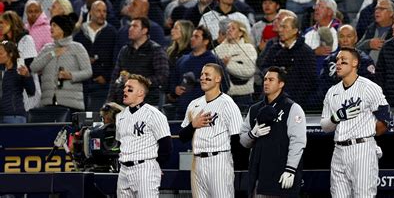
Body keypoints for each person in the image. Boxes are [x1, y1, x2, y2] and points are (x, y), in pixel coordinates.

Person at [320, 47, 392, 197]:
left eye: (343, 60)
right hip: (338, 151)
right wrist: (336, 117)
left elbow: (386, 120)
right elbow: (325, 127)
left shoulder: (369, 88)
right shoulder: (332, 92)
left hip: (362, 150)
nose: (338, 63)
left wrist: (367, 136)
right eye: (337, 60)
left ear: (355, 63)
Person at [240, 66, 307, 197]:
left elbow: (298, 142)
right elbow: (243, 141)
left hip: (282, 174)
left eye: (271, 80)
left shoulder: (292, 108)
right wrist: (252, 134)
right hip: (260, 177)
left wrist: (291, 169)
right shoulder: (254, 109)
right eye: (265, 79)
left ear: (281, 84)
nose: (266, 82)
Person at [178, 63, 243, 198]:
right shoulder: (194, 104)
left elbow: (237, 139)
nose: (203, 77)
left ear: (218, 78)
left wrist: (235, 167)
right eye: (202, 75)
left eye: (207, 75)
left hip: (219, 161)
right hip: (197, 162)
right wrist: (193, 125)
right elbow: (182, 136)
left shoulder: (228, 104)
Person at [116, 74, 172, 197]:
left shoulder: (154, 114)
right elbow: (120, 144)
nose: (125, 90)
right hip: (123, 170)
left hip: (144, 169)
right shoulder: (120, 116)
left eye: (130, 88)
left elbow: (166, 145)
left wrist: (157, 165)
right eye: (125, 87)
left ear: (140, 93)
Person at [30, 13, 93, 114]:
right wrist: (52, 54)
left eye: (54, 25)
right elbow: (33, 67)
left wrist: (71, 75)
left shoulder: (77, 47)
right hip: (48, 103)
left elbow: (88, 72)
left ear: (63, 28)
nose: (51, 28)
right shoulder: (47, 48)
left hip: (71, 104)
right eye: (51, 25)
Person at [214, 20, 257, 112]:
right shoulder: (218, 49)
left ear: (241, 32)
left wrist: (228, 64)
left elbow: (249, 71)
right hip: (222, 97)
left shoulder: (248, 48)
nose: (229, 30)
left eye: (233, 28)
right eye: (228, 28)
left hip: (242, 98)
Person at [0, 40, 35, 123]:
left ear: (10, 54)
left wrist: (27, 76)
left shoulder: (20, 70)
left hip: (14, 116)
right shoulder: (1, 71)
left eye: (0, 53)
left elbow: (31, 91)